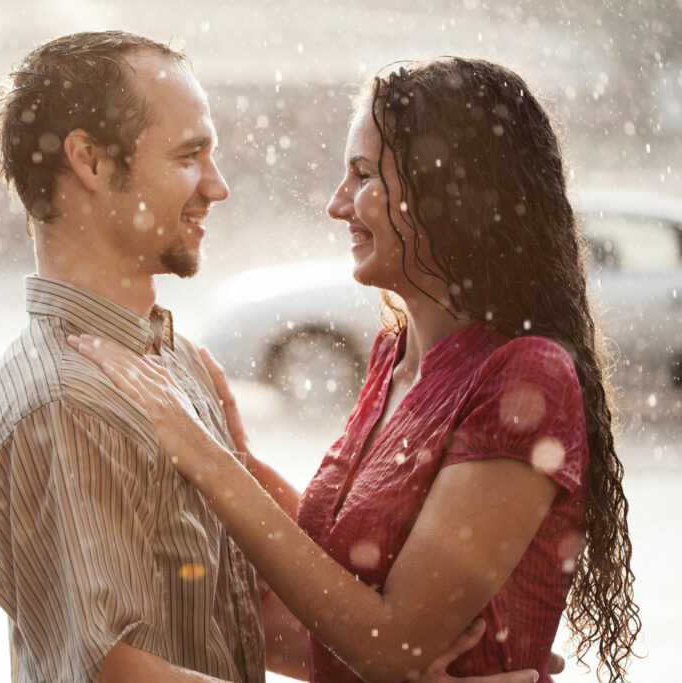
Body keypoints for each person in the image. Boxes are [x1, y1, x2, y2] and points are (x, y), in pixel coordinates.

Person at [68, 57, 641, 682]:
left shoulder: (525, 376)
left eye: (363, 175)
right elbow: (346, 565)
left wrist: (205, 457)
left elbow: (387, 645)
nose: (337, 204)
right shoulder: (394, 353)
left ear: (453, 191)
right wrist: (241, 458)